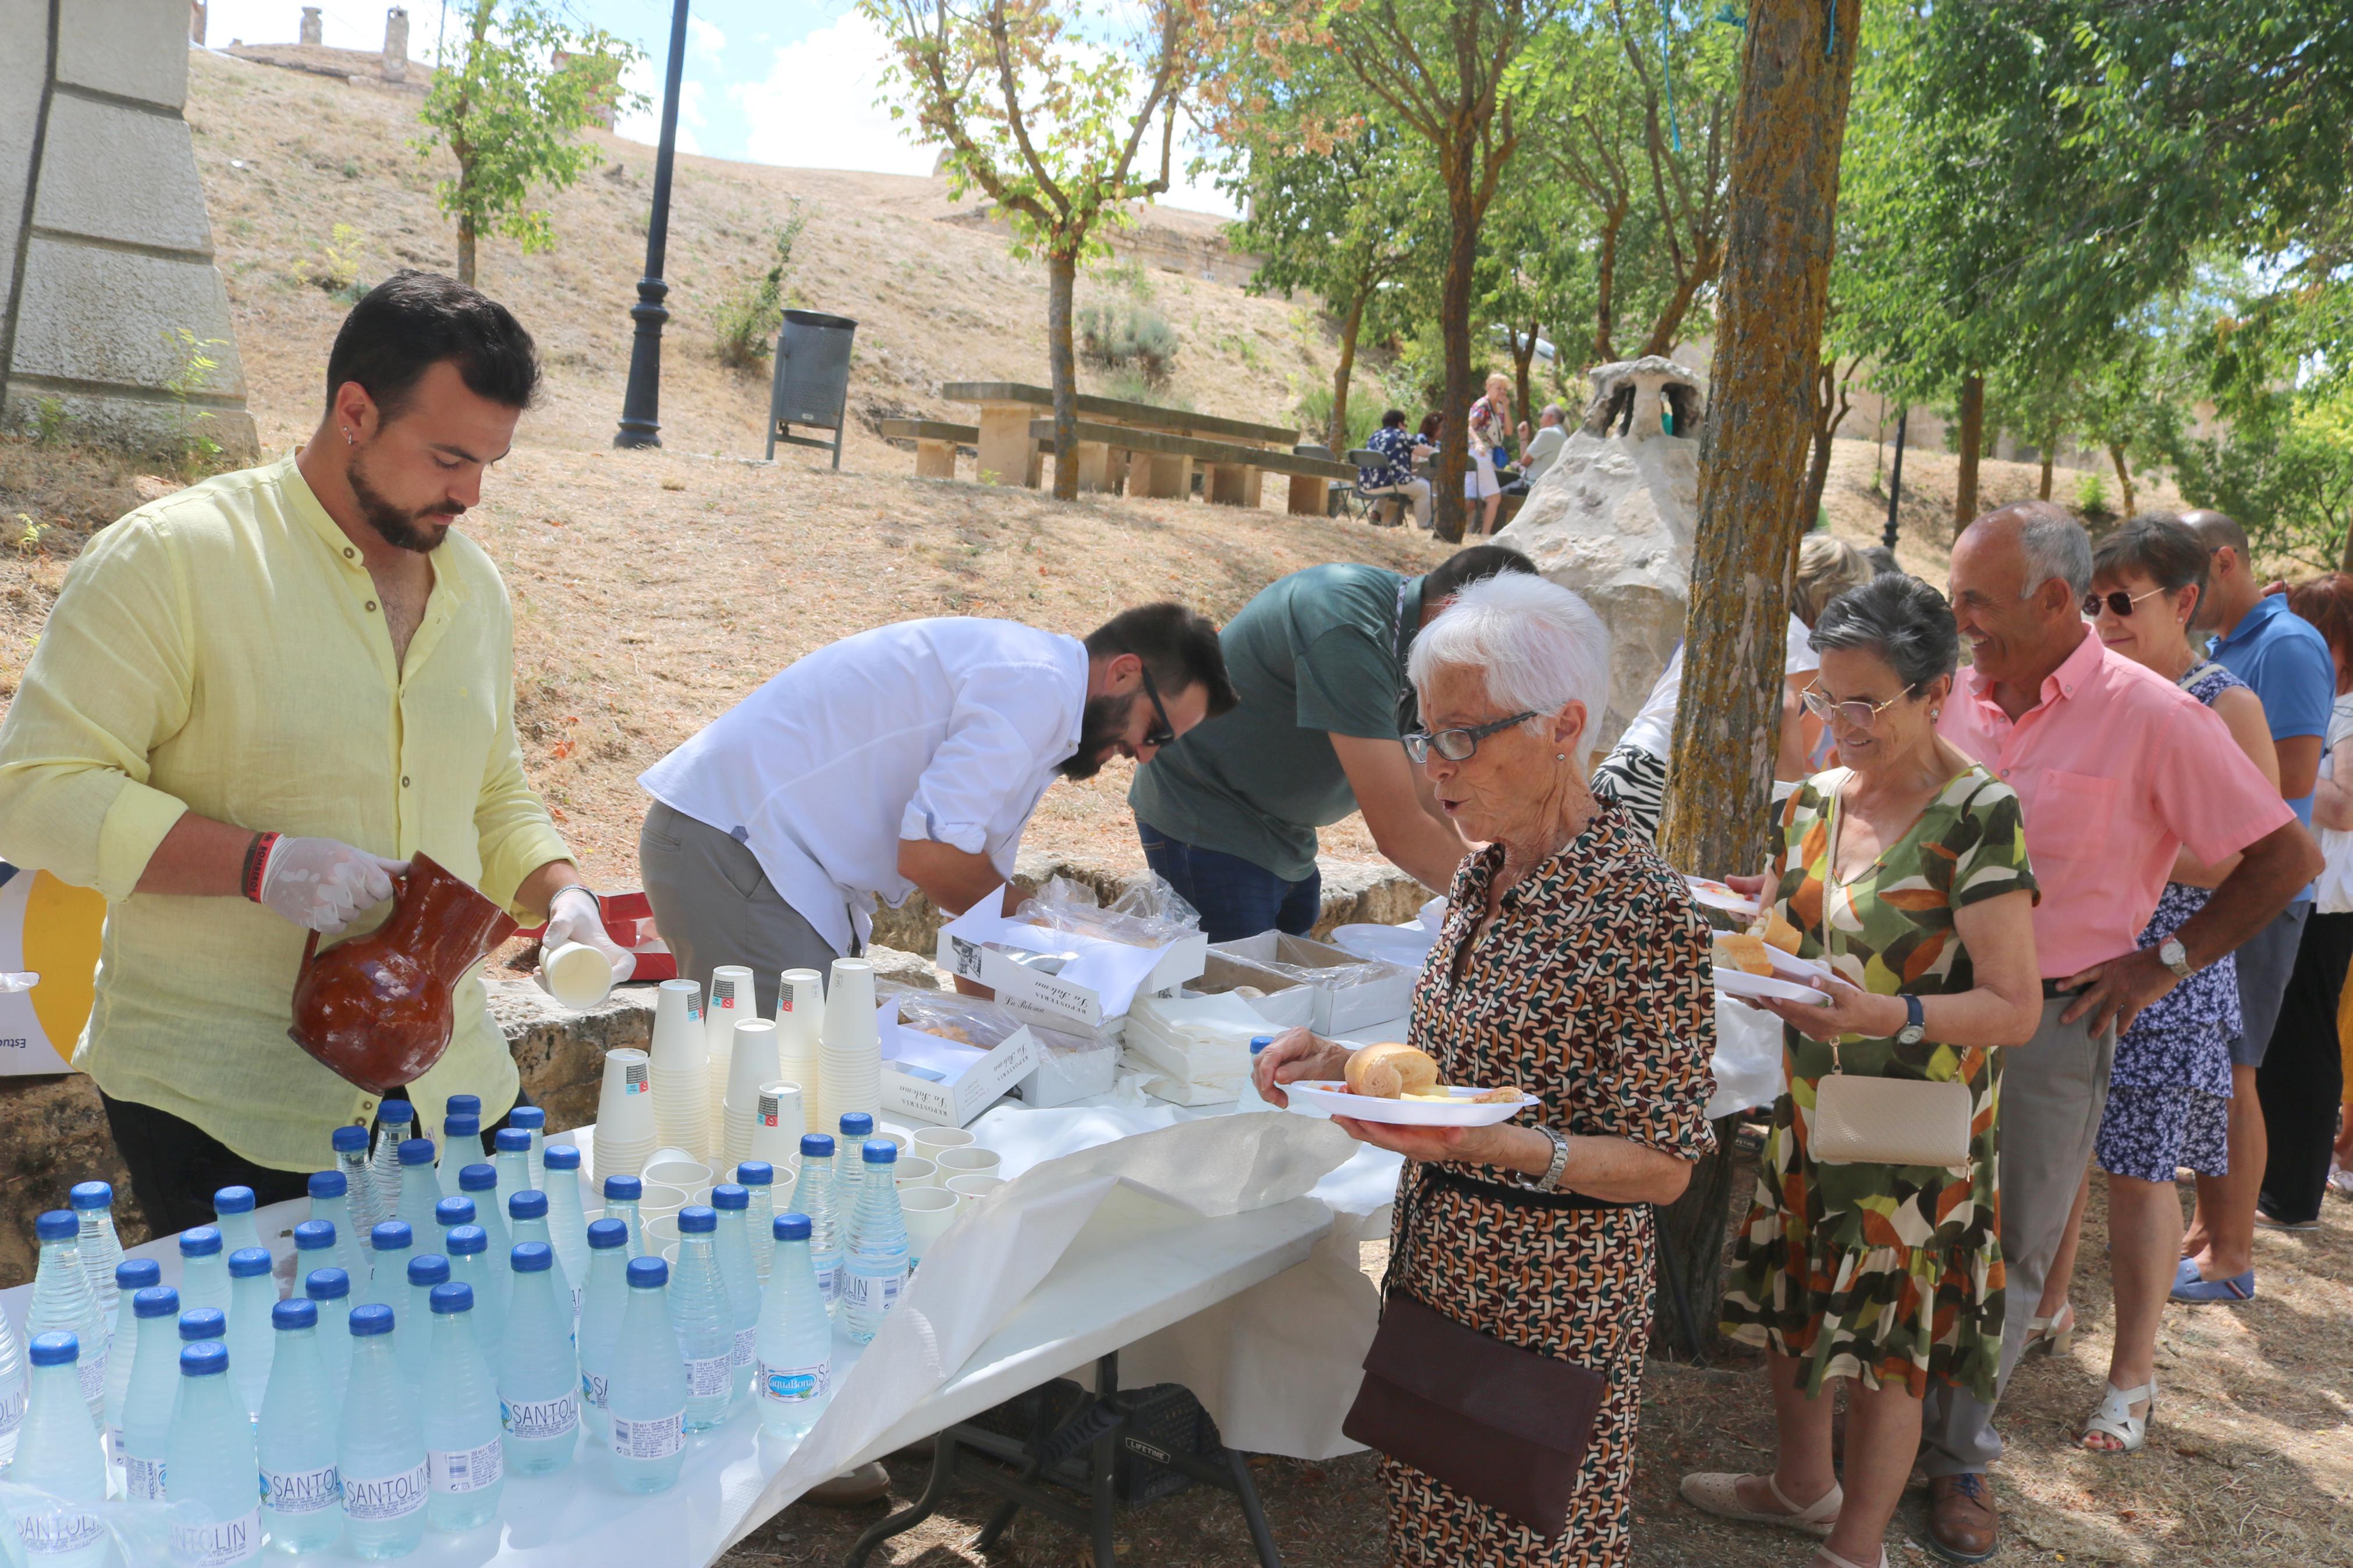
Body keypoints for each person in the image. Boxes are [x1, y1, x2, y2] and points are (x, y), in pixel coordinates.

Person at [0, 272, 629, 1232]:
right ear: (353, 412)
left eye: (488, 464)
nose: (469, 494)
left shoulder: (477, 592)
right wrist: (261, 866)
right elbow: (35, 792)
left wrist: (564, 897)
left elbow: (492, 788)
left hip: (450, 1081)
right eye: (448, 457)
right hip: (225, 1105)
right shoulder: (171, 560)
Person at [1251, 571, 1715, 1565]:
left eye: (1463, 736)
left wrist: (1497, 1147)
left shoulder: (1643, 911)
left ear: (1563, 726)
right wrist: (1342, 1063)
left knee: (1525, 1550)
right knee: (1429, 1541)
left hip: (1550, 1305)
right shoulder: (1482, 869)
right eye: (1425, 736)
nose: (1434, 770)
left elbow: (1664, 1165)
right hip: (1439, 1277)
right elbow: (1468, 1065)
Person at [1912, 500, 2317, 1563]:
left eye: (1976, 604)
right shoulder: (1950, 696)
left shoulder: (2153, 714)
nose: (1959, 624)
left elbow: (2283, 862)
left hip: (2052, 1026)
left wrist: (2160, 963)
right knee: (1907, 1223)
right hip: (1912, 1015)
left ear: (2053, 601)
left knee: (2009, 1248)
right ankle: (1872, 1433)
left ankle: (1953, 1459)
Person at [1691, 574, 2042, 1568]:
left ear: (1935, 695)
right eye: (1823, 698)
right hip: (1811, 1106)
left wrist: (1884, 1011)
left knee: (1889, 1347)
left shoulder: (1978, 817)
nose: (1838, 724)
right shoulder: (1810, 800)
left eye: (1863, 704)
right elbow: (1790, 925)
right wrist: (1748, 936)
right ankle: (1800, 1489)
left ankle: (1854, 1549)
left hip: (1912, 1131)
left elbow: (2014, 1008)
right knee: (1796, 1302)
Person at [638, 604, 1234, 1014]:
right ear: (1124, 671)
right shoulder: (1037, 689)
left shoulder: (1042, 719)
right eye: (1156, 731)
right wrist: (1058, 929)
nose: (1147, 757)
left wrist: (993, 1036)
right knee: (791, 1099)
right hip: (737, 850)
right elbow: (932, 858)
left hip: (754, 858)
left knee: (810, 1089)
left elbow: (973, 907)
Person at [2028, 518, 2277, 1456]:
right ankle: (2046, 1308)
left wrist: (2137, 832)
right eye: (2090, 601)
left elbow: (2250, 853)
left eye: (2120, 601)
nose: (2103, 618)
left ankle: (2130, 1378)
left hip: (2167, 969)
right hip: (2066, 957)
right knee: (2053, 1156)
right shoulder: (2080, 690)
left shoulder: (2220, 699)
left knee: (2135, 1172)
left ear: (2183, 602)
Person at [1127, 547, 1534, 943]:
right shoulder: (1346, 626)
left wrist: (1495, 867)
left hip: (1284, 833)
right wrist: (1505, 906)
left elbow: (1426, 789)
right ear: (1451, 610)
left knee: (1279, 990)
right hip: (1206, 815)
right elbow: (1398, 830)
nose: (1494, 668)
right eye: (1498, 648)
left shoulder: (1420, 641)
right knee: (1235, 999)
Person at [2176, 508, 2335, 1301]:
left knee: (2236, 1072)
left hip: (2260, 891)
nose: (2175, 592)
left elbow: (2293, 778)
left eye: (2184, 574)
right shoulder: (2227, 646)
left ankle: (2231, 1256)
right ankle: (2209, 1236)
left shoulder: (2286, 644)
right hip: (2223, 885)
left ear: (2225, 560)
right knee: (2216, 1070)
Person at [1589, 530, 1872, 840]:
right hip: (1663, 782)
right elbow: (1791, 740)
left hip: (1629, 761)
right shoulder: (1797, 643)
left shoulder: (1732, 617)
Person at [2256, 573, 2353, 1226]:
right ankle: (2269, 1177)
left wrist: (2272, 764)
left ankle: (2293, 1194)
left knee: (2305, 1038)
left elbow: (2343, 807)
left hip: (2324, 895)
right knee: (2276, 1035)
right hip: (2299, 887)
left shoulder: (2344, 710)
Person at [1357, 408, 1435, 529]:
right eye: (1405, 424)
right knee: (1425, 488)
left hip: (1366, 484)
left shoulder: (1375, 435)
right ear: (1400, 423)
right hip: (1390, 482)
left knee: (1385, 479)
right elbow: (1426, 452)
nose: (1406, 428)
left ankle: (1375, 516)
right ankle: (1424, 527)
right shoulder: (1402, 435)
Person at [1464, 373, 1514, 535]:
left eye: (1504, 390)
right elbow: (1470, 426)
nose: (1502, 393)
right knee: (1494, 498)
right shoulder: (1482, 405)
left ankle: (1452, 524)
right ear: (1489, 387)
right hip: (1480, 454)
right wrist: (1478, 442)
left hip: (1488, 454)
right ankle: (1485, 535)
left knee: (1471, 501)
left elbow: (1508, 431)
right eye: (1499, 388)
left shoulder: (1498, 408)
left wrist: (1506, 408)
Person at [1519, 403, 1569, 487]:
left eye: (1542, 415)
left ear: (1549, 417)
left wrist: (1523, 437)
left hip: (1532, 485)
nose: (1540, 419)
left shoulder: (1547, 433)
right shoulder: (1564, 436)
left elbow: (1524, 462)